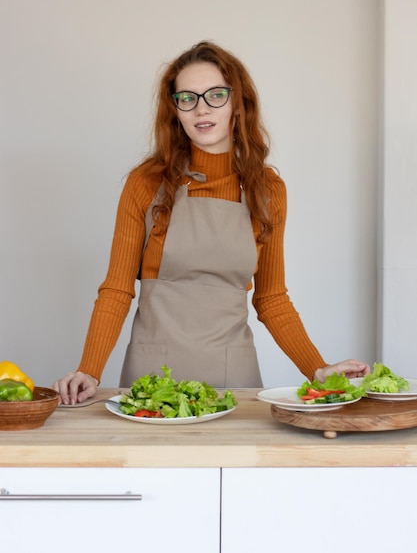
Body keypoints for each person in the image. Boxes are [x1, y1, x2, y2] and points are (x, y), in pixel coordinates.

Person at [53, 40, 370, 404]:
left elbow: (271, 299)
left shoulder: (267, 191)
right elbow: (116, 289)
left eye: (215, 95)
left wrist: (318, 368)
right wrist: (89, 370)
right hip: (151, 384)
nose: (201, 109)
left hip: (234, 384)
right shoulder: (146, 183)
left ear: (238, 103)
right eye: (187, 98)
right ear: (175, 110)